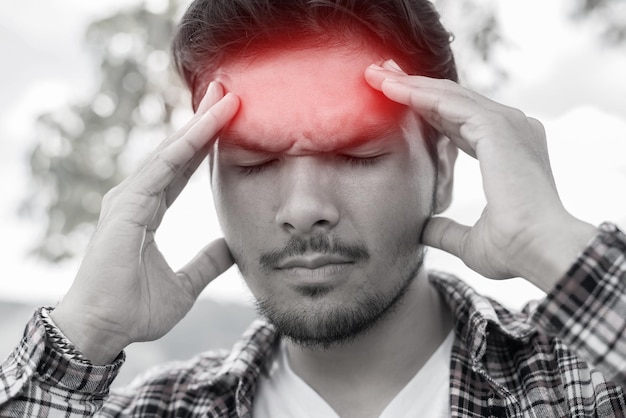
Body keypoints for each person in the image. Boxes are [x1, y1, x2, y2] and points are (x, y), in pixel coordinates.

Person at [1, 0, 625, 416]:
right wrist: (85, 333)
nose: (302, 209)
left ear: (442, 169)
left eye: (356, 156)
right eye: (254, 163)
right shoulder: (161, 408)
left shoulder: (579, 388)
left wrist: (558, 249)